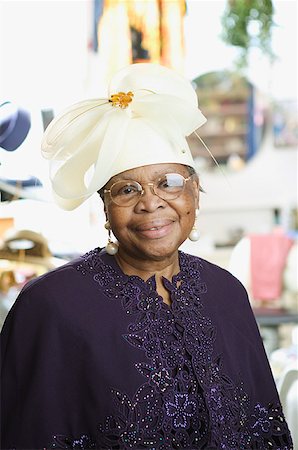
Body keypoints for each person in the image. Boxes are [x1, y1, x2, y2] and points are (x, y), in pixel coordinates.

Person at [0, 63, 293, 450]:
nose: (151, 203)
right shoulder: (51, 306)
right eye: (126, 190)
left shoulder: (227, 293)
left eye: (169, 182)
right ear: (104, 205)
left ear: (195, 191)